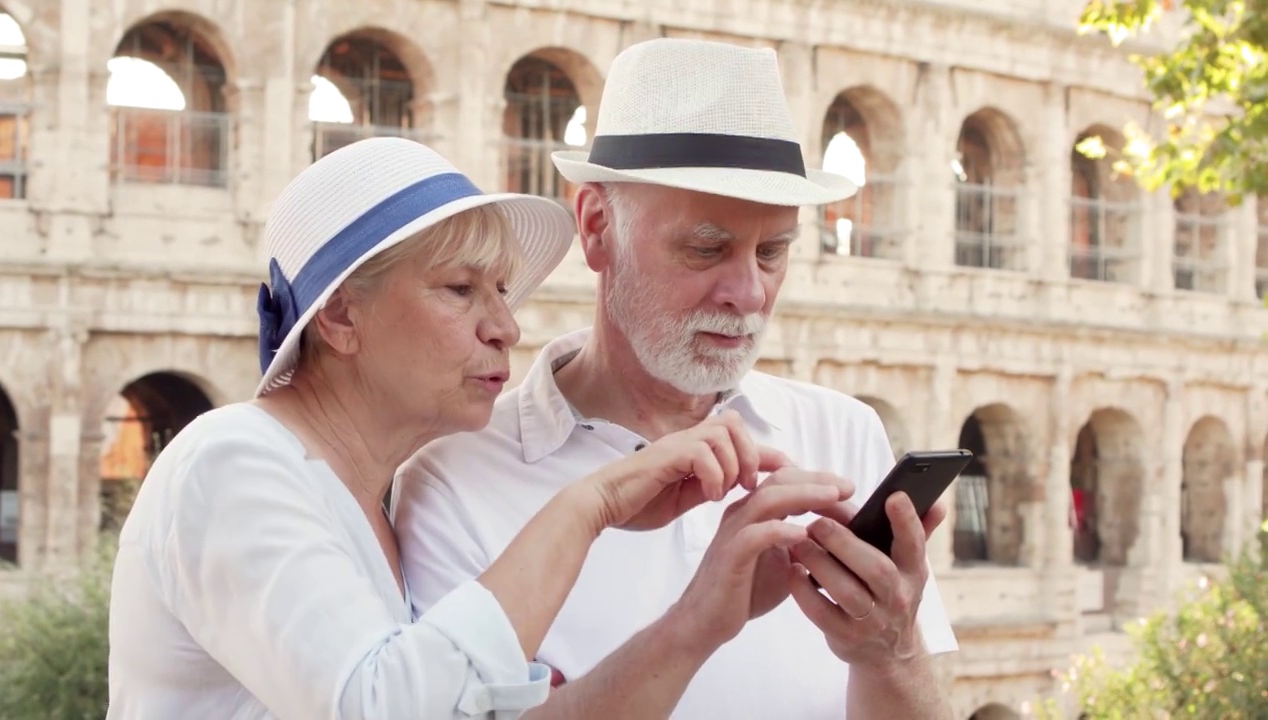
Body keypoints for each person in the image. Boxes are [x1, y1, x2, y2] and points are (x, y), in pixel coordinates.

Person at [104, 137, 840, 720]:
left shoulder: (366, 503)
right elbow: (387, 708)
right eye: (461, 290)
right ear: (340, 316)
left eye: (500, 291)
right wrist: (591, 504)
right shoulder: (231, 459)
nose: (506, 327)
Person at [392, 38, 959, 719]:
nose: (748, 292)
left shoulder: (844, 432)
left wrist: (889, 655)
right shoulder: (453, 479)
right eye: (707, 248)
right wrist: (694, 623)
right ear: (597, 226)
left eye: (773, 251)